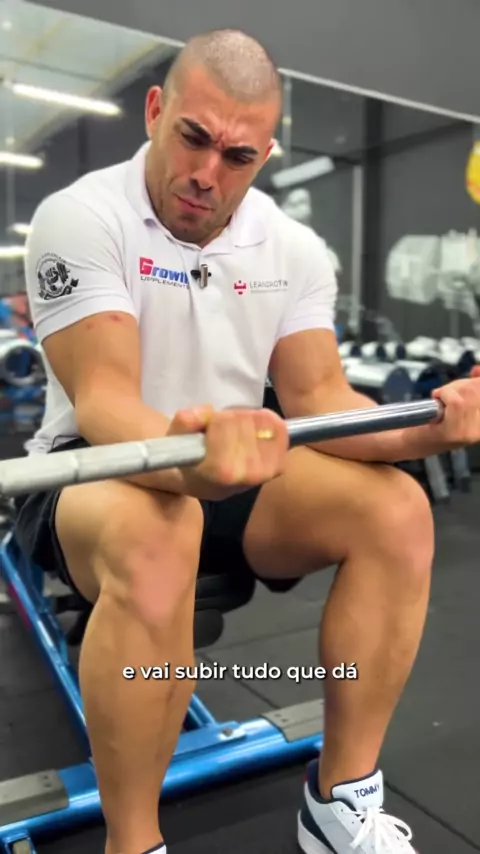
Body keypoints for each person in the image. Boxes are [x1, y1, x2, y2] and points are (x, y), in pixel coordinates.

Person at [14, 28, 480, 854]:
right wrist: (192, 456)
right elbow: (107, 400)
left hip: (232, 468)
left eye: (236, 155)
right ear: (155, 112)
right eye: (193, 137)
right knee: (161, 529)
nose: (208, 172)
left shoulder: (292, 248)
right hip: (93, 471)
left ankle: (340, 804)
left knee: (399, 511)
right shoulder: (81, 216)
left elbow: (319, 396)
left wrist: (430, 427)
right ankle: (133, 843)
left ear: (263, 156)